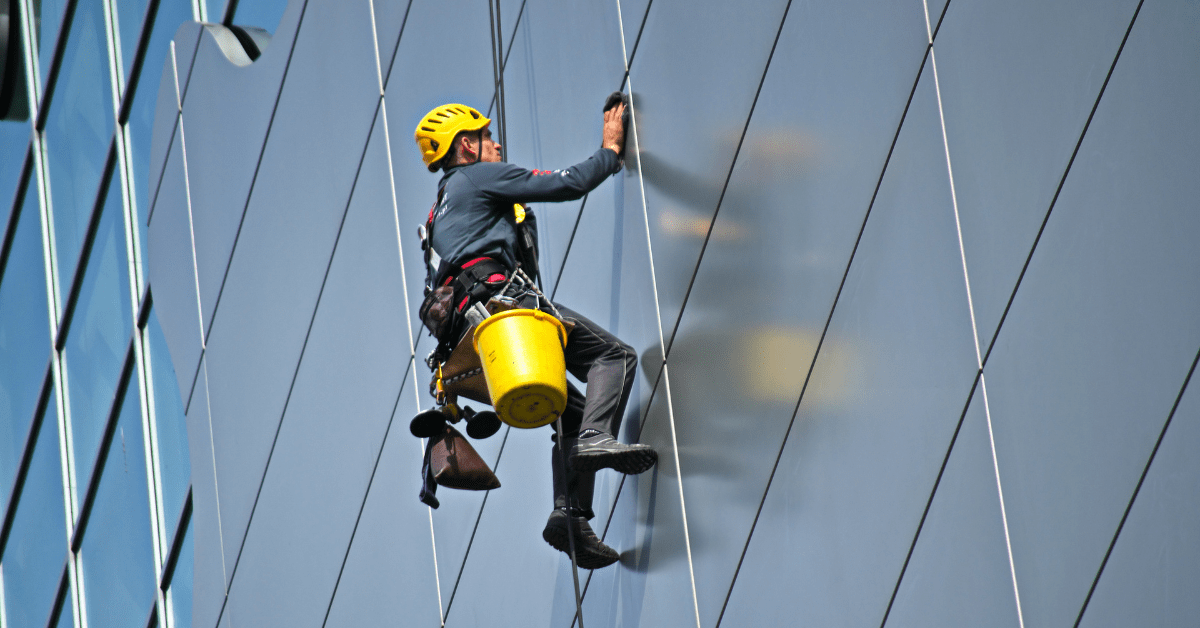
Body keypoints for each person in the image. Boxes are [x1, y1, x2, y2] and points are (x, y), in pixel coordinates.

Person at [413, 100, 656, 569]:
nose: (497, 144)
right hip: (506, 309)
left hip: (474, 337)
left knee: (572, 409)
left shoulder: (438, 212)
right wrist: (609, 151)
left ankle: (569, 517)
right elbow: (566, 183)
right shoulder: (476, 177)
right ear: (467, 145)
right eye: (487, 137)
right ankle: (596, 439)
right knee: (615, 357)